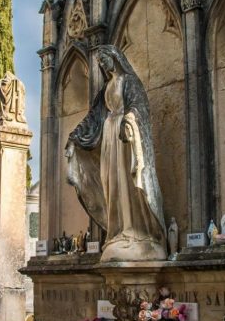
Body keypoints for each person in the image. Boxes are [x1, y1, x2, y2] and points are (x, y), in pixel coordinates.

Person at [66, 45, 166, 262]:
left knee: (126, 183)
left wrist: (129, 118)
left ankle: (135, 230)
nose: (103, 65)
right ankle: (118, 231)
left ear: (115, 58)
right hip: (109, 137)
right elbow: (92, 118)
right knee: (111, 184)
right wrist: (75, 137)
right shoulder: (106, 89)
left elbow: (139, 106)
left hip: (124, 136)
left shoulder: (129, 82)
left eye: (105, 60)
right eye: (100, 63)